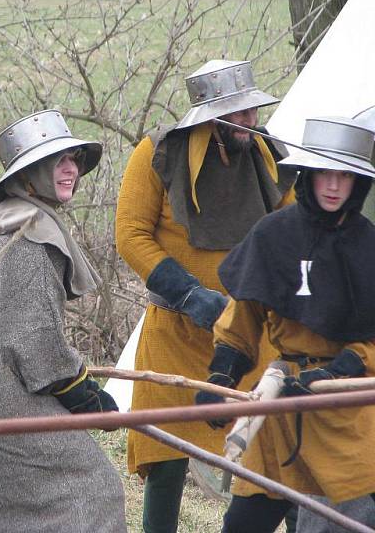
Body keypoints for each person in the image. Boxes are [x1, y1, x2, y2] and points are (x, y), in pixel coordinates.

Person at [114, 59, 296, 533]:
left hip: (251, 337)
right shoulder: (156, 153)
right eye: (235, 114)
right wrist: (190, 293)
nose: (247, 121)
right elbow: (131, 235)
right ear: (209, 118)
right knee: (167, 454)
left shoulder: (271, 155)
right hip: (174, 332)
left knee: (277, 453)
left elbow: (293, 234)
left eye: (250, 111)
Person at [0, 109, 127, 533]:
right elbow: (31, 337)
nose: (71, 169)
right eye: (57, 161)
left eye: (74, 159)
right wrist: (77, 389)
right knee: (93, 493)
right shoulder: (28, 237)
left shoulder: (0, 219)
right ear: (30, 174)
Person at [195, 116, 375, 533]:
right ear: (307, 174)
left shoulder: (370, 247)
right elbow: (243, 318)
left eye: (343, 176)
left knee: (348, 517)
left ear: (357, 183)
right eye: (324, 173)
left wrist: (338, 370)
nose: (333, 186)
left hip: (344, 411)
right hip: (278, 406)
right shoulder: (272, 234)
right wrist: (221, 374)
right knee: (244, 523)